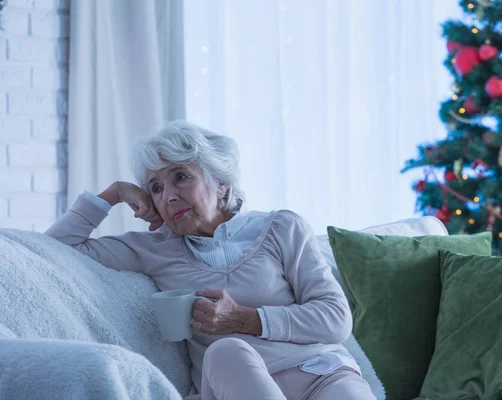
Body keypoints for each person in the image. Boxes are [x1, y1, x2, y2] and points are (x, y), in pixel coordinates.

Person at [45, 120, 376, 400]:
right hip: (236, 384)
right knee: (226, 350)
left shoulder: (282, 228)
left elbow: (335, 319)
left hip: (323, 375)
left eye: (181, 177)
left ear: (220, 182)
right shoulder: (155, 248)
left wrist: (246, 318)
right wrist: (115, 193)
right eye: (155, 188)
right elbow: (55, 249)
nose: (169, 195)